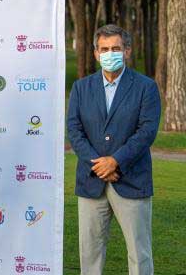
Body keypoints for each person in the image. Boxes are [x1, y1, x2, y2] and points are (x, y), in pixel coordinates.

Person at [67, 24, 160, 275]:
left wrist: (115, 161)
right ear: (96, 53)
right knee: (90, 254)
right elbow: (74, 131)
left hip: (131, 180)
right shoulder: (81, 88)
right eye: (104, 49)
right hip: (91, 181)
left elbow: (146, 132)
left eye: (116, 48)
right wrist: (100, 164)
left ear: (127, 51)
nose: (110, 53)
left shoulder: (146, 87)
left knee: (139, 255)